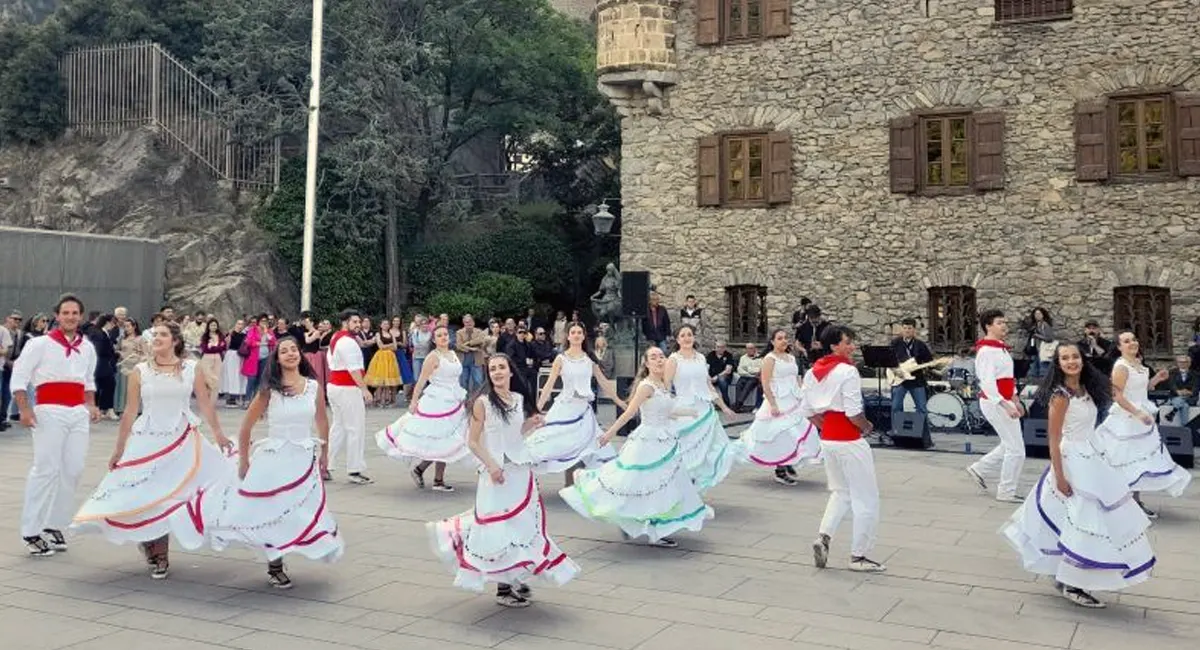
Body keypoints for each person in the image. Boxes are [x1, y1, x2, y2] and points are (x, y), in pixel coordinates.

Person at [72, 322, 233, 578]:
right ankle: (151, 541)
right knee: (145, 493)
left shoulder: (191, 368)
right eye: (154, 334)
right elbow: (129, 411)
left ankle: (160, 549)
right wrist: (119, 449)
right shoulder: (140, 371)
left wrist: (219, 435)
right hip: (147, 438)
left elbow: (204, 404)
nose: (157, 338)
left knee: (173, 494)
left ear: (175, 341)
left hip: (181, 439)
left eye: (163, 334)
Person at [1001, 342, 1154, 609]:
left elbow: (1114, 398)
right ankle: (1072, 581)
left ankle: (1069, 576)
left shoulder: (1087, 389)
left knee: (1084, 520)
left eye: (1075, 357)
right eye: (1065, 358)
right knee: (1082, 520)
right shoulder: (1060, 395)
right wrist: (1059, 477)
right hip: (1071, 461)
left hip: (1092, 457)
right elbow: (1054, 440)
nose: (1071, 362)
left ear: (1082, 360)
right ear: (1058, 364)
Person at [427, 354, 578, 607]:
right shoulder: (482, 403)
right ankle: (503, 588)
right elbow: (473, 441)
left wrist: (532, 424)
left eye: (501, 368)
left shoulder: (518, 399)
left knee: (521, 525)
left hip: (519, 470)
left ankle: (515, 576)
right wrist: (492, 466)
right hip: (494, 474)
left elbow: (515, 434)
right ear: (488, 374)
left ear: (510, 372)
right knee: (498, 527)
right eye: (493, 369)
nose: (497, 372)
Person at [207, 337, 342, 589]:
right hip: (275, 457)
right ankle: (275, 564)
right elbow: (246, 426)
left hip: (303, 456)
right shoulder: (270, 390)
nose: (290, 354)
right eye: (284, 351)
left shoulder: (313, 387)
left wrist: (324, 453)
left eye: (294, 350)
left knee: (300, 508)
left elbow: (323, 421)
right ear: (277, 358)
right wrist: (244, 462)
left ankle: (303, 543)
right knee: (273, 509)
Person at [560, 347, 713, 548]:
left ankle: (644, 525)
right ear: (647, 364)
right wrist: (608, 434)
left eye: (661, 357)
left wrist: (690, 412)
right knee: (636, 483)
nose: (659, 360)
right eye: (653, 358)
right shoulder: (646, 386)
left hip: (665, 441)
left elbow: (669, 411)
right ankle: (648, 528)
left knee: (661, 486)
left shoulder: (664, 385)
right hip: (647, 442)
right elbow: (629, 413)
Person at [13, 295, 100, 556]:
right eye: (66, 312)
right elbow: (19, 377)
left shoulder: (87, 347)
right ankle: (31, 530)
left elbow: (88, 381)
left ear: (81, 317)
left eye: (75, 313)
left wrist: (91, 404)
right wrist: (24, 409)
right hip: (49, 410)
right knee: (46, 468)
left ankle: (54, 524)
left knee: (73, 469)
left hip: (77, 412)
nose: (71, 317)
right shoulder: (40, 344)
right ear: (57, 315)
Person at [802, 325, 885, 573]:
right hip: (849, 439)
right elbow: (852, 411)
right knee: (866, 497)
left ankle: (824, 536)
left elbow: (808, 411)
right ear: (834, 345)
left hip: (828, 438)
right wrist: (866, 426)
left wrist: (825, 426)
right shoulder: (847, 371)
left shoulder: (811, 372)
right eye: (848, 342)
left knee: (840, 492)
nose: (852, 346)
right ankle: (859, 555)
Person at [1092, 331, 1191, 518]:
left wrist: (1156, 379)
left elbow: (1139, 388)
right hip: (1126, 419)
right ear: (1120, 347)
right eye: (1126, 341)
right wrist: (1136, 412)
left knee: (1141, 462)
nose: (1132, 343)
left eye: (1134, 339)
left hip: (1142, 419)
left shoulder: (1138, 364)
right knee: (1123, 460)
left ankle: (1134, 502)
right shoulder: (1121, 367)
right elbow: (1118, 395)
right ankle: (1120, 502)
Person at [525, 324, 626, 486]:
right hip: (565, 407)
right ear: (568, 336)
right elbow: (549, 385)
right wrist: (536, 410)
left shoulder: (589, 359)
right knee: (558, 443)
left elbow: (604, 382)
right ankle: (561, 483)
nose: (577, 335)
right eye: (573, 332)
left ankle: (581, 484)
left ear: (584, 336)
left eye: (579, 332)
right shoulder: (561, 358)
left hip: (583, 410)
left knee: (589, 446)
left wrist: (620, 402)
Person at [377, 325, 467, 492]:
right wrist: (413, 401)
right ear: (433, 339)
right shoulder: (433, 357)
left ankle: (424, 471)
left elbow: (455, 377)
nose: (443, 337)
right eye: (439, 335)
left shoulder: (453, 354)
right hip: (437, 401)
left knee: (449, 441)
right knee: (441, 439)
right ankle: (436, 479)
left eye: (445, 334)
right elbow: (421, 380)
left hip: (454, 398)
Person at [739, 329, 820, 486]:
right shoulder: (769, 359)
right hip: (778, 400)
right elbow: (765, 382)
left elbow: (796, 378)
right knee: (781, 433)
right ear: (772, 342)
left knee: (799, 430)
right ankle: (780, 470)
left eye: (785, 338)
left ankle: (789, 461)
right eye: (779, 338)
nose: (783, 341)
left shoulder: (790, 358)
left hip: (793, 398)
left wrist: (803, 395)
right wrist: (773, 404)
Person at [665, 325, 738, 492]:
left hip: (704, 408)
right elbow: (666, 386)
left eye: (689, 334)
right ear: (677, 340)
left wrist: (724, 407)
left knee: (709, 447)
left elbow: (707, 385)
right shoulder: (673, 359)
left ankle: (696, 484)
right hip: (684, 408)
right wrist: (668, 408)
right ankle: (683, 484)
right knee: (687, 447)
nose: (687, 338)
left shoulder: (700, 358)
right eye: (683, 335)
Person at [965, 309, 1027, 503]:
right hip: (995, 402)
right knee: (1016, 449)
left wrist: (1015, 399)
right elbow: (988, 383)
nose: (1004, 326)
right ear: (988, 326)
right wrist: (1005, 405)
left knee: (1010, 444)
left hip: (1005, 400)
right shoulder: (986, 352)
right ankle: (1006, 491)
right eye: (1000, 322)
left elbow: (1008, 379)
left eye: (1004, 322)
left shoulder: (1000, 348)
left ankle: (980, 468)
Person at [325, 309, 373, 485]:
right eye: (354, 322)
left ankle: (327, 465)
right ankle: (354, 469)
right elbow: (353, 369)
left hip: (335, 386)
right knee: (355, 428)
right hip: (347, 388)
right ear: (345, 322)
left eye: (359, 322)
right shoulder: (348, 342)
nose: (358, 325)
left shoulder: (335, 337)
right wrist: (364, 389)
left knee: (339, 427)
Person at [889, 318, 934, 442]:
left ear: (914, 330)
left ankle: (923, 436)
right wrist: (895, 370)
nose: (907, 330)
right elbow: (889, 359)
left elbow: (929, 361)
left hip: (916, 379)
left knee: (921, 408)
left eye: (910, 328)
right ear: (902, 329)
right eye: (905, 328)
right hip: (899, 379)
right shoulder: (895, 343)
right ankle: (897, 434)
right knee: (896, 407)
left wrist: (932, 366)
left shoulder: (920, 345)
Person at [1165, 355, 1198, 428]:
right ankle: (1185, 427)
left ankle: (1173, 412)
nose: (1182, 364)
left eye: (1184, 362)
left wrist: (1188, 392)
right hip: (1176, 397)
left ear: (1189, 363)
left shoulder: (1195, 374)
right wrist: (1178, 391)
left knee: (1183, 400)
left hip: (1190, 398)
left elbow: (1196, 388)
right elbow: (1171, 385)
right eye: (1180, 362)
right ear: (1177, 363)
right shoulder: (1172, 372)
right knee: (1184, 406)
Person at [706, 341, 735, 405]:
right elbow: (706, 368)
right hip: (712, 376)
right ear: (715, 348)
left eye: (722, 347)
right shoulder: (711, 355)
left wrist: (717, 376)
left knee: (721, 379)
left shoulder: (728, 355)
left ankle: (726, 402)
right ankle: (706, 403)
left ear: (725, 348)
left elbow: (728, 370)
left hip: (725, 376)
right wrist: (708, 377)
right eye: (718, 347)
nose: (720, 349)